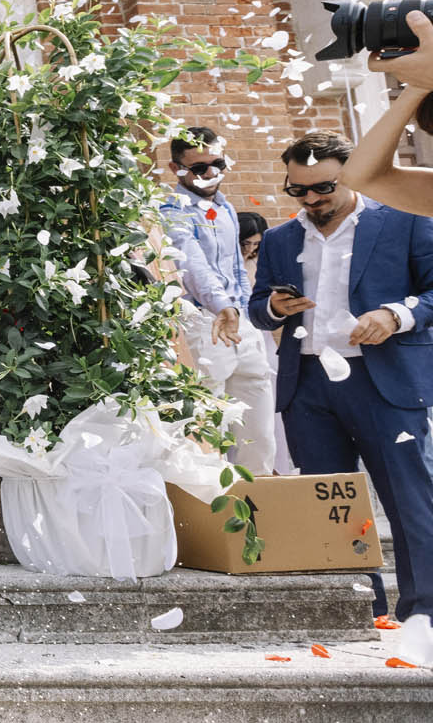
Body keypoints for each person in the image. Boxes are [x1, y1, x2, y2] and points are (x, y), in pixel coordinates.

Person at [254, 129, 433, 655]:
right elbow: (258, 302)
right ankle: (362, 606)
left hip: (384, 380)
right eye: (299, 190)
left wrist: (394, 315)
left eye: (323, 188)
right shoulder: (282, 239)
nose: (311, 200)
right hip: (307, 385)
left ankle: (424, 610)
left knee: (410, 498)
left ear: (350, 176)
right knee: (329, 504)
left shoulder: (404, 220)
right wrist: (273, 309)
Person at [158, 127, 278, 476]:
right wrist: (221, 305)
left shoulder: (224, 208)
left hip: (241, 324)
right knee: (208, 436)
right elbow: (191, 263)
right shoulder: (172, 208)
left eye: (217, 164)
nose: (210, 173)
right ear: (175, 168)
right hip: (204, 325)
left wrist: (243, 307)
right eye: (198, 168)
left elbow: (236, 267)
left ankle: (262, 511)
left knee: (259, 436)